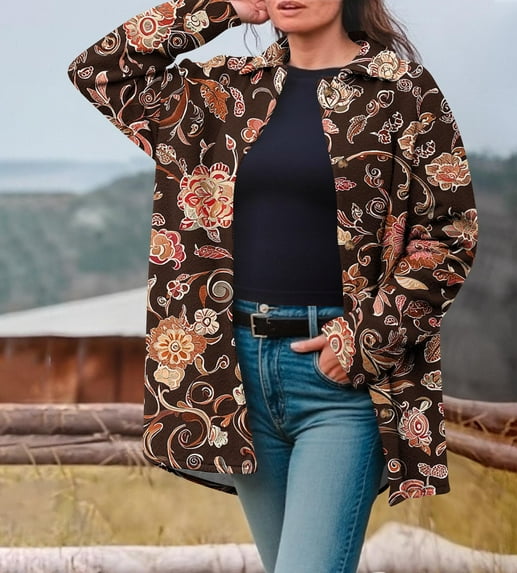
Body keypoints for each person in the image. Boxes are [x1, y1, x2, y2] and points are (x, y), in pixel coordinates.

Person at [68, 0, 478, 571]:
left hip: (340, 379)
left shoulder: (402, 91)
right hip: (235, 377)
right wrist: (222, 9)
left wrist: (364, 341)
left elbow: (447, 234)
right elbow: (101, 70)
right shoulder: (224, 93)